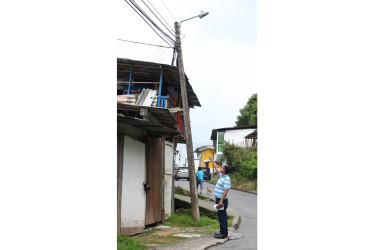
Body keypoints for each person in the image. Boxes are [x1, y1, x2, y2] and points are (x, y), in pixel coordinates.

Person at [209, 155, 231, 239]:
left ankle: (224, 234)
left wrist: (221, 201)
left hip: (222, 201)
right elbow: (217, 167)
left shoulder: (227, 179)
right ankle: (222, 231)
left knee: (222, 217)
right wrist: (211, 160)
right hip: (219, 200)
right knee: (221, 216)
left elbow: (226, 190)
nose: (221, 168)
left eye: (223, 167)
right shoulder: (222, 175)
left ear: (224, 170)